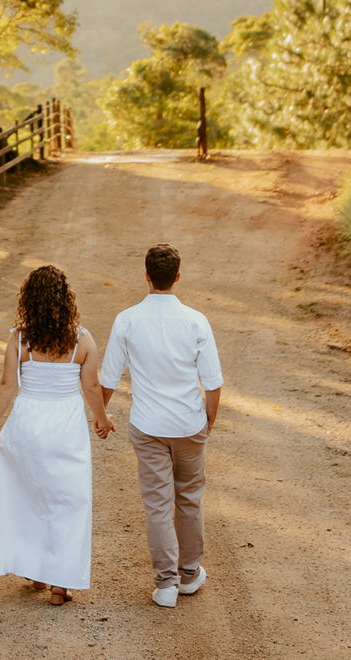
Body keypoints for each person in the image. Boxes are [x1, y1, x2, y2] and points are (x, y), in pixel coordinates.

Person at [100, 242, 223, 609]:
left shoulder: (127, 320)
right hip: (189, 424)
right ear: (178, 277)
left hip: (148, 426)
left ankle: (165, 584)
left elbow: (108, 377)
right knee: (189, 498)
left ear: (147, 276)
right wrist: (208, 420)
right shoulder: (196, 321)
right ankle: (189, 575)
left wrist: (100, 415)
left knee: (157, 504)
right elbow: (213, 382)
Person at [0, 264, 115, 605]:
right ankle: (60, 582)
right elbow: (90, 387)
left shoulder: (20, 339)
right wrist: (102, 419)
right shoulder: (82, 340)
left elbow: (8, 384)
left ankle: (38, 573)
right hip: (66, 425)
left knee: (30, 495)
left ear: (29, 300)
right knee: (68, 500)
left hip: (28, 421)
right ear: (66, 299)